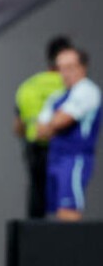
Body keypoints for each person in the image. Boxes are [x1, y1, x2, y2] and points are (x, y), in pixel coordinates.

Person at [37, 48, 101, 221]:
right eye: (61, 68)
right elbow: (40, 131)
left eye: (70, 67)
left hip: (74, 159)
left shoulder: (87, 91)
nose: (65, 73)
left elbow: (61, 121)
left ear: (82, 67)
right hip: (55, 158)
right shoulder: (57, 96)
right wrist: (53, 124)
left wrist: (53, 123)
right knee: (55, 213)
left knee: (68, 211)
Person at [13, 36, 72, 219]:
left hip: (35, 150)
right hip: (64, 149)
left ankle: (34, 234)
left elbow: (18, 127)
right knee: (67, 198)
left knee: (36, 194)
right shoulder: (74, 88)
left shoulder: (28, 86)